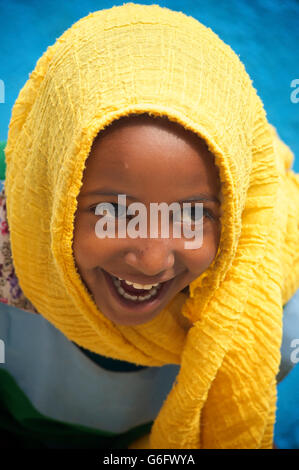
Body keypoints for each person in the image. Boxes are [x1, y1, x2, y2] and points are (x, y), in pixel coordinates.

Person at [0, 2, 299, 449]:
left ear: (235, 212)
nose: (153, 259)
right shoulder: (13, 265)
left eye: (193, 215)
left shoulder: (270, 316)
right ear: (48, 196)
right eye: (115, 212)